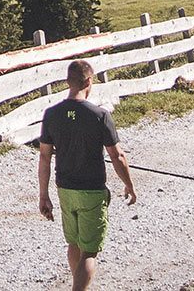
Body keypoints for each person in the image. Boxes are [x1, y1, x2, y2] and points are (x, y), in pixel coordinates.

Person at [37, 59, 138, 291]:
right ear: (89, 81)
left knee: (74, 244)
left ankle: (79, 285)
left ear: (67, 82)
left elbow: (44, 157)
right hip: (91, 190)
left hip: (64, 189)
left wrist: (44, 195)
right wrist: (129, 185)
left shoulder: (51, 114)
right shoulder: (100, 115)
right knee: (90, 251)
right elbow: (117, 156)